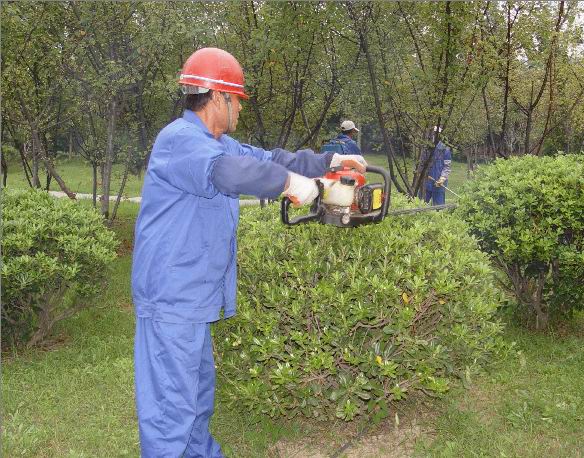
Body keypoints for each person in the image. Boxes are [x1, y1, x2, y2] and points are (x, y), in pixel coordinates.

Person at [131, 47, 367, 458]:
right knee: (172, 413)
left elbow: (269, 159)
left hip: (190, 299)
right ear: (217, 97)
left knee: (195, 401)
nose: (240, 107)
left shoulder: (217, 142)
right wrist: (288, 185)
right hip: (171, 300)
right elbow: (228, 172)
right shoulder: (180, 140)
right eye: (237, 99)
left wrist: (329, 160)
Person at [421, 126, 452, 206]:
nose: (435, 135)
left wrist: (442, 178)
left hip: (439, 184)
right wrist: (422, 175)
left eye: (437, 134)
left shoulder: (445, 150)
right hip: (426, 183)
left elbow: (447, 167)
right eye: (434, 133)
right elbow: (421, 164)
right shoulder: (426, 149)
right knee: (420, 206)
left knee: (439, 209)